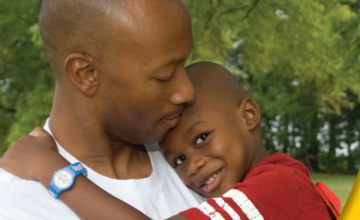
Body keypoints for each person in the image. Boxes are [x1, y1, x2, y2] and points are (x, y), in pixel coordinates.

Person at [1, 62, 341, 219]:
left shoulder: (278, 187)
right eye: (177, 160)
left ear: (248, 116)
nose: (193, 164)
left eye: (203, 138)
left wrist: (54, 171)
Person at [0, 0, 205, 219]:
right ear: (86, 74)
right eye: (164, 76)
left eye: (184, 65)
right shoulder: (15, 205)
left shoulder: (208, 157)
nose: (187, 92)